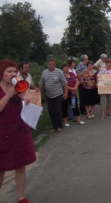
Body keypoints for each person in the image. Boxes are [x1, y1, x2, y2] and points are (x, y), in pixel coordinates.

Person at [0, 60, 36, 203]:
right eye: (9, 71)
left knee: (21, 165)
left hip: (19, 131)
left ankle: (21, 196)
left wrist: (27, 98)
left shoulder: (19, 86)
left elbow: (27, 98)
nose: (13, 74)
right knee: (1, 167)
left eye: (14, 71)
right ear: (2, 73)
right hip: (3, 133)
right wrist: (8, 95)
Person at [39, 59, 68, 132]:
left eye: (53, 64)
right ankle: (54, 124)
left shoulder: (59, 72)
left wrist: (65, 93)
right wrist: (39, 93)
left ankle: (59, 126)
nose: (52, 65)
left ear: (55, 65)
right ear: (47, 65)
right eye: (50, 64)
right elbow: (41, 83)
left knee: (58, 110)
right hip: (49, 95)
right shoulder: (44, 72)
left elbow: (65, 83)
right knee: (51, 111)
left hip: (58, 94)